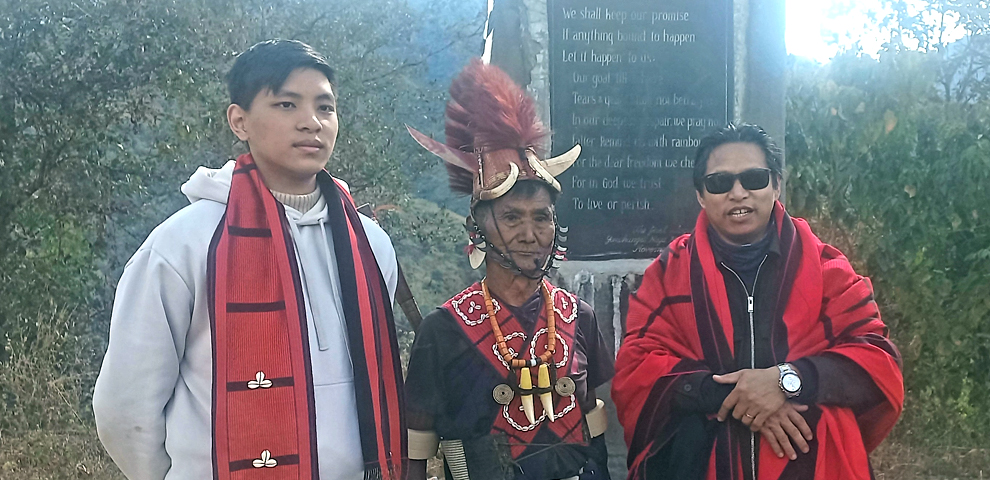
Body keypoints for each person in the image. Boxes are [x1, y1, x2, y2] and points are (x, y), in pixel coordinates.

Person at [93, 39, 406, 480]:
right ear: (239, 120)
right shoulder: (186, 242)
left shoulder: (369, 244)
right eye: (285, 104)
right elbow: (125, 405)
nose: (311, 122)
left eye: (325, 107)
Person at [611, 124, 904, 480]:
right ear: (701, 196)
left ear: (776, 185)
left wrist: (789, 379)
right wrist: (738, 396)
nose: (738, 193)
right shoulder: (669, 274)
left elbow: (877, 359)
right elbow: (636, 368)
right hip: (702, 464)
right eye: (720, 183)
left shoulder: (827, 269)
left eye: (754, 178)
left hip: (809, 464)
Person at [403, 59, 614, 480]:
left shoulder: (580, 318)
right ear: (478, 227)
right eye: (512, 218)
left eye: (541, 217)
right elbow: (420, 452)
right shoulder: (443, 331)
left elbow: (593, 427)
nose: (530, 233)